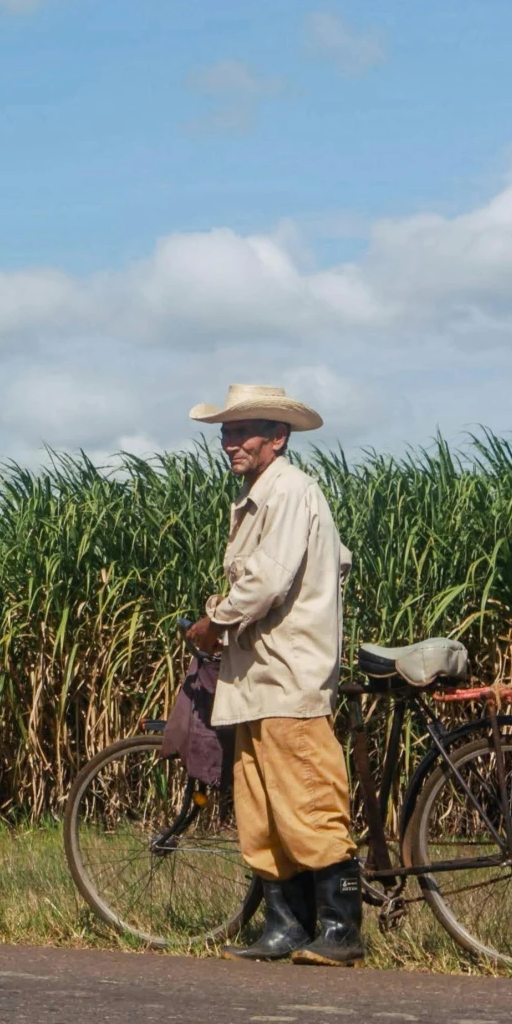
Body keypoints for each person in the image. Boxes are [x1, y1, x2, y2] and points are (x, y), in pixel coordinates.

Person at [182, 383, 363, 965]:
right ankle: (285, 926)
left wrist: (214, 621)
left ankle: (341, 928)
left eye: (243, 432)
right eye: (226, 432)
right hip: (258, 676)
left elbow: (265, 581)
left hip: (288, 674)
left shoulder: (288, 491)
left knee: (308, 798)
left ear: (277, 438)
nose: (231, 443)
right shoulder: (260, 494)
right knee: (262, 806)